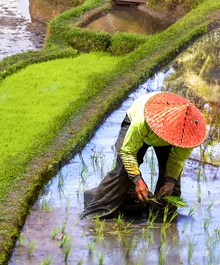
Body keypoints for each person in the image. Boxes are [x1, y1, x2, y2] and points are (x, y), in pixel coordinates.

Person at [82, 91, 207, 219]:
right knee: (123, 171)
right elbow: (128, 152)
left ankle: (160, 216)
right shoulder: (142, 121)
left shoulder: (188, 135)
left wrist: (169, 182)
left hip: (171, 128)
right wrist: (137, 181)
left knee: (171, 187)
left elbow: (177, 160)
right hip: (142, 123)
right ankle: (95, 214)